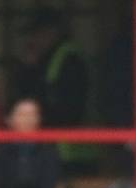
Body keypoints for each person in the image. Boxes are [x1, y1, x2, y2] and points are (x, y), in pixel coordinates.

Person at [9, 6, 91, 172]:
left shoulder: (69, 61)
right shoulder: (47, 60)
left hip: (70, 153)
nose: (31, 40)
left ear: (51, 32)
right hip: (53, 150)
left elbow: (66, 108)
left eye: (35, 33)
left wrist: (30, 72)